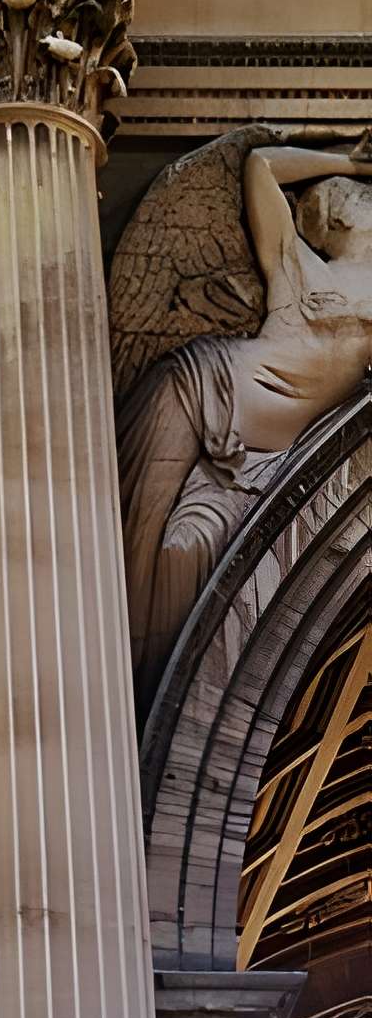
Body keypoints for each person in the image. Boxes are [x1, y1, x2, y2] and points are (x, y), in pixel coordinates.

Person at [119, 139, 372, 703]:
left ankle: (150, 709)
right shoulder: (297, 262)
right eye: (353, 195)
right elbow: (261, 166)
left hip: (258, 466)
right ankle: (112, 701)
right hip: (200, 383)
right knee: (136, 532)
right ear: (336, 219)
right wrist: (351, 162)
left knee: (185, 549)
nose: (360, 198)